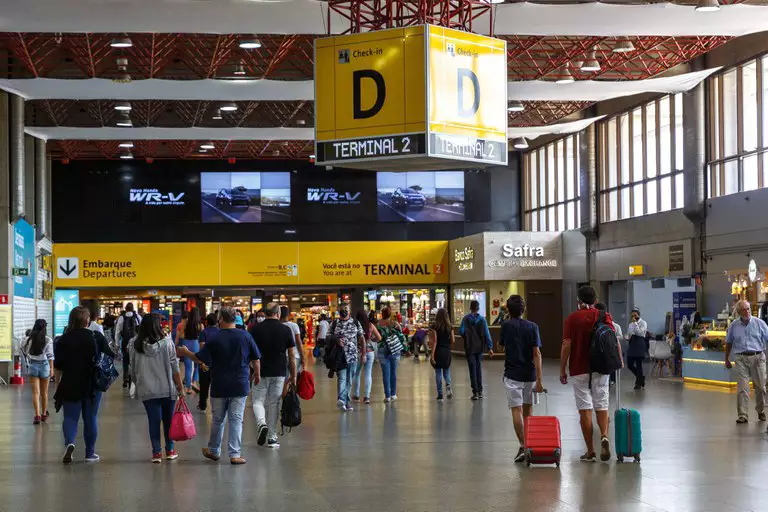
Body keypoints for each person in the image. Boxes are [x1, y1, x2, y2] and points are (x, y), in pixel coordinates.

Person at [177, 306, 261, 465]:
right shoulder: (245, 336)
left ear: (221, 319)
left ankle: (214, 450)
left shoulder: (215, 338)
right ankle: (235, 454)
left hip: (219, 384)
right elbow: (256, 359)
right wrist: (257, 375)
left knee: (218, 419)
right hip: (240, 384)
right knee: (236, 419)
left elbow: (200, 358)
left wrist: (185, 352)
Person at [560, 286, 622, 462]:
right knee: (602, 405)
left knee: (585, 409)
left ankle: (590, 451)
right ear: (595, 300)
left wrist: (562, 369)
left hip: (579, 368)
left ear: (578, 300)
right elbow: (613, 339)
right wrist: (619, 360)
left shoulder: (572, 318)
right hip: (601, 368)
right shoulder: (603, 316)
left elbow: (566, 345)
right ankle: (604, 435)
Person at [53, 306, 115, 464]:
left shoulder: (62, 340)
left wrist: (58, 384)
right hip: (92, 384)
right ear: (87, 321)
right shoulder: (96, 337)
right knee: (91, 417)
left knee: (70, 417)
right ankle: (90, 453)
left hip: (70, 382)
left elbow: (58, 366)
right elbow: (109, 356)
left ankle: (70, 442)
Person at [130, 313, 184, 463]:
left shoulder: (135, 345)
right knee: (168, 421)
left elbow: (133, 369)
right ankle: (170, 450)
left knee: (153, 421)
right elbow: (175, 368)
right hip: (167, 388)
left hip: (147, 389)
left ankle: (156, 453)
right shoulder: (167, 343)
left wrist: (137, 383)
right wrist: (180, 388)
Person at [499, 296, 544, 463]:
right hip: (529, 375)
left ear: (509, 310)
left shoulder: (506, 326)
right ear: (523, 309)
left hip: (512, 375)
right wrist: (539, 380)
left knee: (516, 410)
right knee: (528, 410)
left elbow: (500, 346)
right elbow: (537, 353)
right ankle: (529, 445)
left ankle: (523, 445)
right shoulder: (533, 327)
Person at [249, 303, 296, 449]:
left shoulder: (255, 329)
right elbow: (291, 355)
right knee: (274, 403)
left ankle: (261, 423)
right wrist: (294, 375)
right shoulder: (286, 329)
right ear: (278, 313)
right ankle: (272, 438)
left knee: (257, 401)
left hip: (260, 371)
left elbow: (250, 353)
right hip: (279, 371)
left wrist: (251, 370)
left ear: (265, 312)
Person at [725, 300, 768, 425]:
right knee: (742, 388)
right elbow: (729, 342)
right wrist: (726, 358)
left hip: (758, 357)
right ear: (738, 312)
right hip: (741, 358)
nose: (747, 311)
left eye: (748, 309)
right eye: (743, 310)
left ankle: (760, 410)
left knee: (761, 387)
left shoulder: (760, 323)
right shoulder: (734, 326)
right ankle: (742, 415)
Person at [330, 305, 365, 411]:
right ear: (338, 312)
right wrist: (336, 340)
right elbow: (328, 337)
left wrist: (364, 354)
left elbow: (362, 337)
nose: (344, 311)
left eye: (346, 310)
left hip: (352, 356)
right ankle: (341, 399)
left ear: (349, 311)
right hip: (339, 356)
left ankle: (346, 402)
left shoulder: (355, 322)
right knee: (342, 378)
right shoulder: (334, 323)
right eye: (342, 310)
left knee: (349, 380)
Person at [459, 300, 494, 400]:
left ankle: (475, 392)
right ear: (478, 308)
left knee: (472, 369)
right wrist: (490, 348)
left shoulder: (465, 319)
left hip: (469, 347)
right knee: (478, 369)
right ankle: (480, 391)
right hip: (479, 347)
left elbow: (461, 331)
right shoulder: (482, 320)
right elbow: (487, 334)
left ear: (470, 308)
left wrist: (467, 336)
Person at [23, 319, 54, 424]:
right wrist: (51, 368)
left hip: (33, 365)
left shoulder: (28, 339)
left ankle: (37, 415)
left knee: (35, 393)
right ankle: (44, 414)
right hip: (44, 366)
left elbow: (24, 350)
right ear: (44, 327)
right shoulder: (48, 340)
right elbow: (50, 356)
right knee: (44, 393)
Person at [377, 306, 406, 403]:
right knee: (393, 372)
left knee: (385, 373)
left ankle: (387, 396)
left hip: (382, 349)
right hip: (394, 349)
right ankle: (393, 394)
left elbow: (376, 337)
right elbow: (401, 333)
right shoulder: (395, 323)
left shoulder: (378, 324)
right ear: (390, 314)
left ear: (382, 314)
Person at [353, 309, 381, 404]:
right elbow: (379, 338)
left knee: (357, 373)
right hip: (369, 352)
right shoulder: (370, 325)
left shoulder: (355, 325)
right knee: (368, 374)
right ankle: (367, 397)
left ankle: (356, 396)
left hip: (358, 352)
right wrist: (372, 339)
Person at [429, 309, 454, 401]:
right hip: (447, 351)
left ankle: (440, 395)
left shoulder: (435, 326)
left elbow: (435, 341)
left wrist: (432, 355)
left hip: (438, 351)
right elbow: (453, 340)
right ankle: (448, 385)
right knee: (446, 371)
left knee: (438, 372)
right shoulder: (450, 326)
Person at [595, 303, 623, 385]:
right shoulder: (600, 324)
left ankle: (612, 380)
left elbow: (619, 338)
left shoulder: (615, 326)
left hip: (607, 350)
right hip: (608, 351)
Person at [115, 303, 141, 389]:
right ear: (133, 308)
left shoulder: (122, 317)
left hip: (125, 342)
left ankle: (125, 379)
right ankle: (135, 379)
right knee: (136, 360)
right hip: (135, 342)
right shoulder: (137, 317)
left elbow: (117, 332)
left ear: (125, 309)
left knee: (125, 360)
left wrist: (117, 344)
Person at [178, 307, 203, 394]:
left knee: (188, 367)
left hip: (186, 344)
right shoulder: (200, 325)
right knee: (197, 365)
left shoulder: (185, 323)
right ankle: (194, 382)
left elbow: (181, 335)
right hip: (196, 344)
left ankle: (188, 388)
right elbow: (202, 336)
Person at [197, 313, 219, 412]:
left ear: (206, 322)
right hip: (217, 364)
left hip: (205, 363)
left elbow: (202, 348)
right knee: (216, 386)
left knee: (204, 386)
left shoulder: (204, 332)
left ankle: (203, 405)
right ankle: (217, 406)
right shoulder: (220, 332)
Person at [625, 307, 648, 390]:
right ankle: (641, 378)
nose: (633, 317)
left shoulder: (643, 323)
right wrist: (627, 337)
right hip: (632, 343)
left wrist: (635, 324)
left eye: (635, 315)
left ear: (638, 315)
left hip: (639, 343)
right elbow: (629, 333)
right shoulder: (630, 324)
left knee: (639, 365)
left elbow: (640, 333)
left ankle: (638, 384)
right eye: (632, 315)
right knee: (629, 364)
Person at [281, 307, 306, 375]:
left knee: (284, 378)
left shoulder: (277, 326)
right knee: (294, 377)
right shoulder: (294, 325)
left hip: (282, 357)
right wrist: (302, 357)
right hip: (295, 356)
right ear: (288, 315)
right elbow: (298, 342)